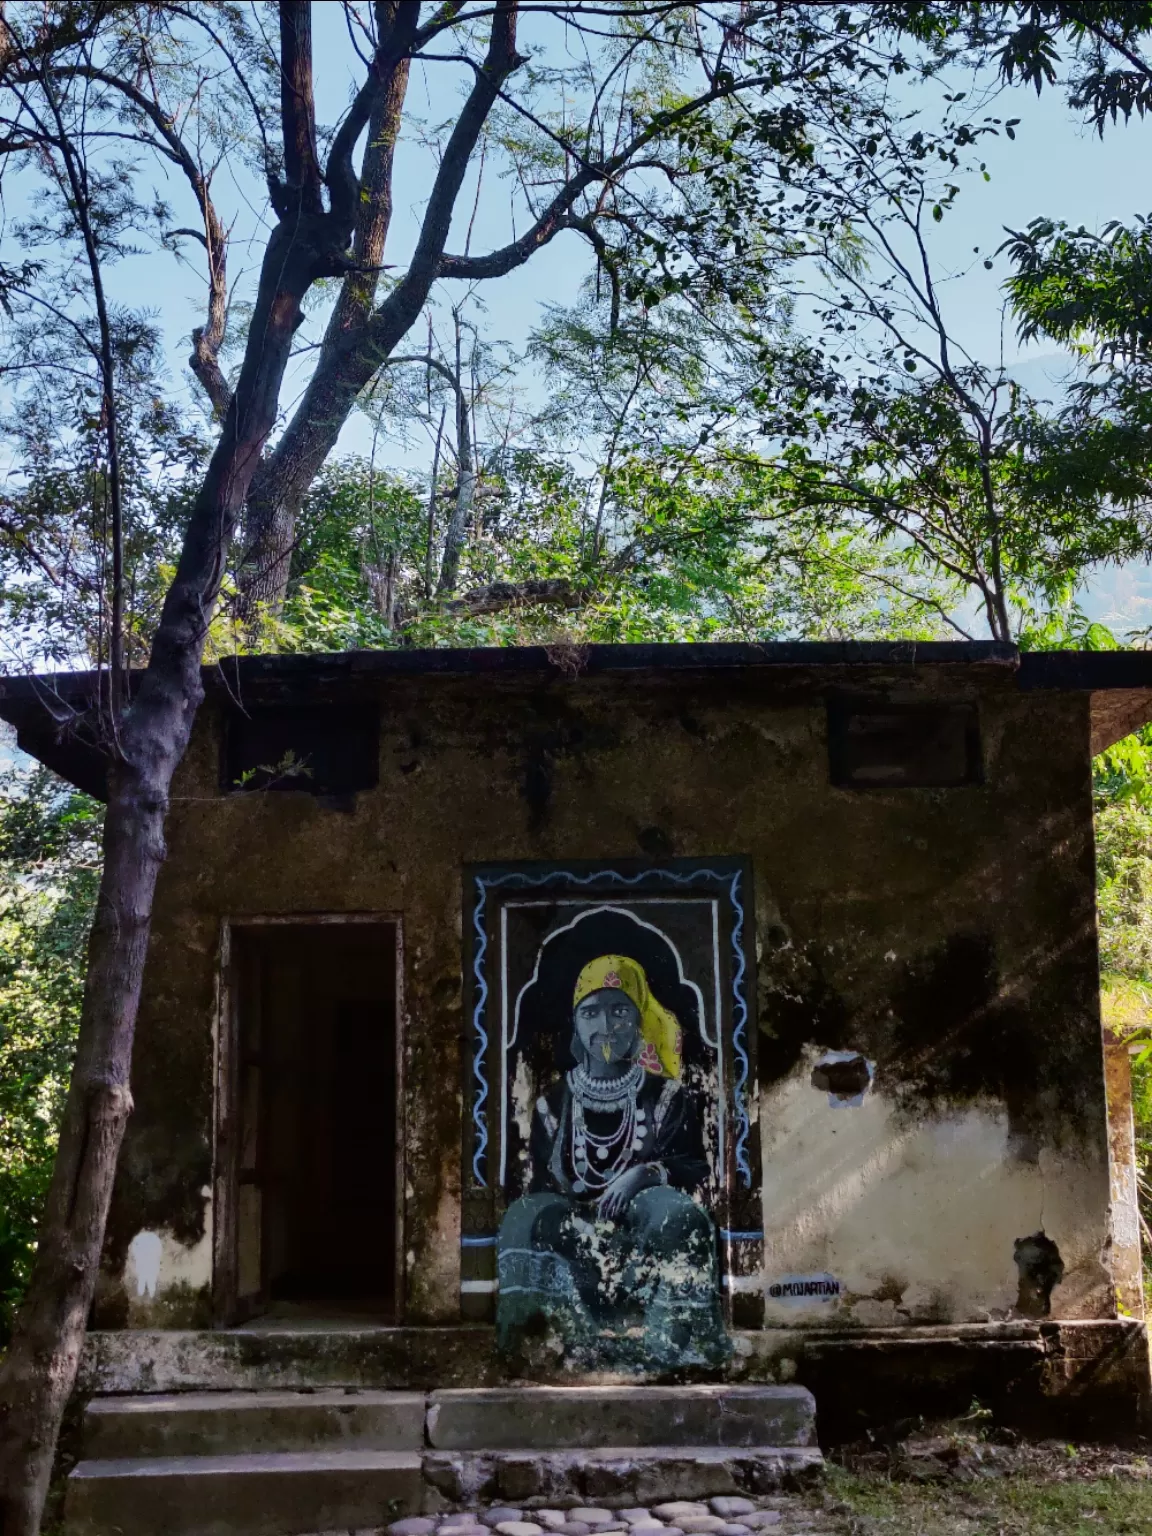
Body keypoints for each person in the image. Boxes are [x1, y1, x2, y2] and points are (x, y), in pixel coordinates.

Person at [497, 953, 729, 1367]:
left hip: (644, 1216)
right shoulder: (553, 1102)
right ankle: (540, 1348)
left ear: (640, 1019)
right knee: (524, 1215)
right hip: (576, 1218)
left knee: (682, 1215)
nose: (605, 1026)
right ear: (576, 1024)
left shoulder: (667, 1095)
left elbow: (692, 1166)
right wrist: (573, 1209)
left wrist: (643, 1174)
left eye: (620, 1010)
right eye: (591, 1013)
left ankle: (674, 1349)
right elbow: (542, 1185)